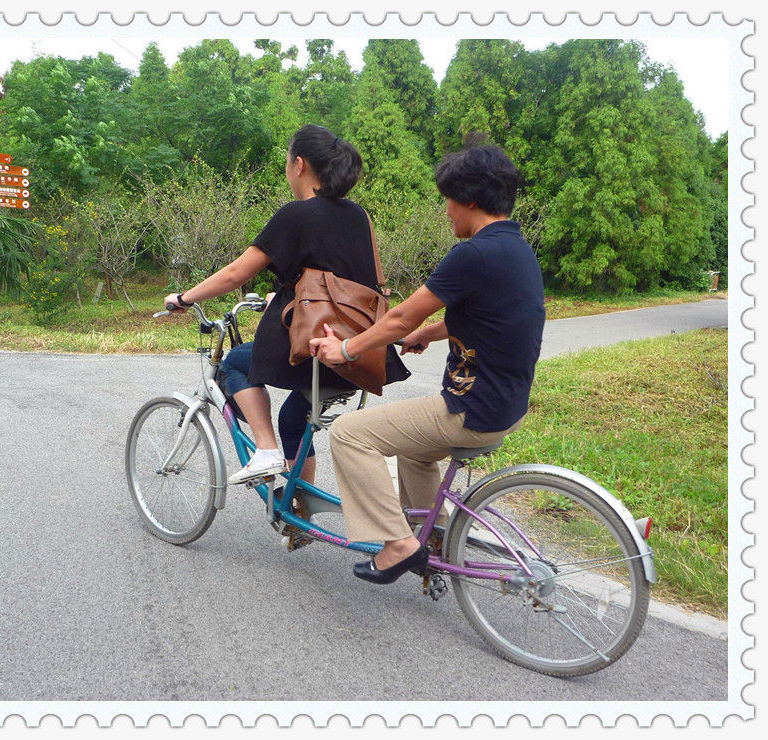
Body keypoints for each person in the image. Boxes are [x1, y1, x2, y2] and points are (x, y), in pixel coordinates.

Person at [310, 143, 545, 584]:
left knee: (348, 434)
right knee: (415, 454)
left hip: (471, 410)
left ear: (469, 199)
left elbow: (400, 317)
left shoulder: (472, 255)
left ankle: (399, 545)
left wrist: (346, 350)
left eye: (448, 200)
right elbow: (480, 314)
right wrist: (428, 334)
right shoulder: (516, 249)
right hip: (507, 406)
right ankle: (433, 540)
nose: (447, 211)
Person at [164, 124, 409, 485]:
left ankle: (265, 451)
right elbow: (343, 282)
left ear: (299, 164)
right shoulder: (359, 215)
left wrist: (183, 298)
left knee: (235, 363)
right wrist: (285, 297)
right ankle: (300, 505)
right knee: (293, 419)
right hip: (357, 355)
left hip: (314, 352)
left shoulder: (296, 214)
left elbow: (235, 274)